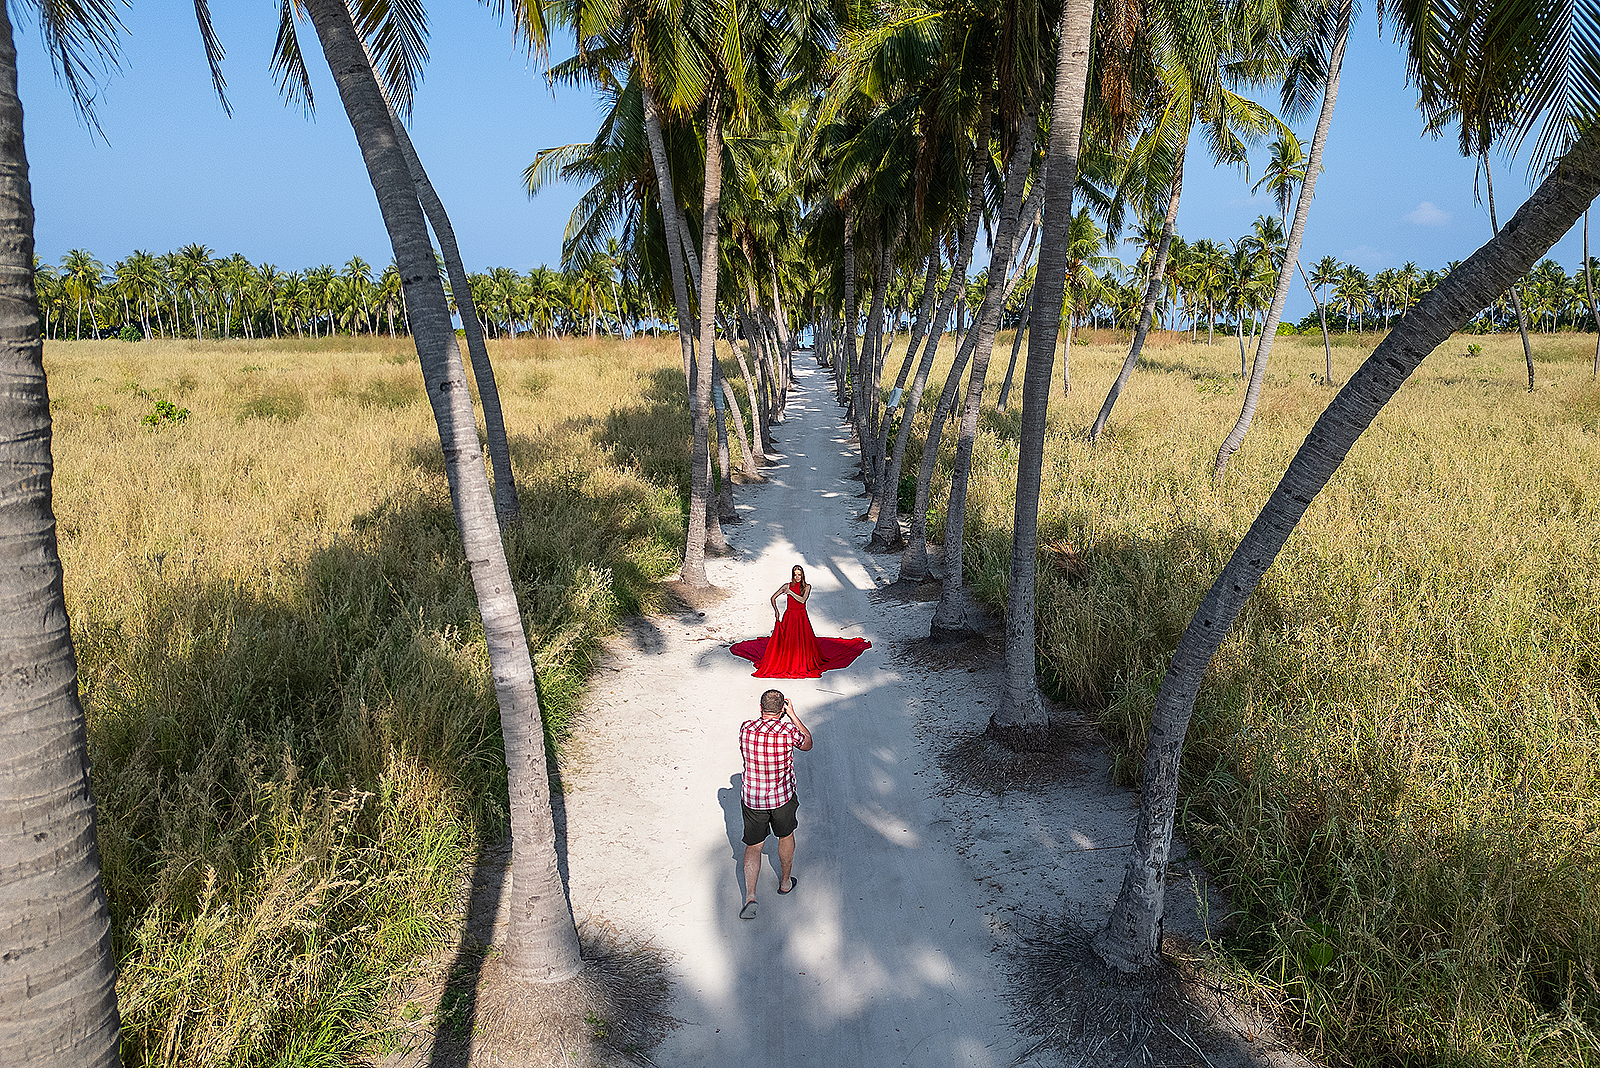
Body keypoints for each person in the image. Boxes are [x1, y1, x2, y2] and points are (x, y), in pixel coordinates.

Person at [738, 689, 813, 920]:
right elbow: (808, 743)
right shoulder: (788, 730)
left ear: (760, 708)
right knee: (786, 835)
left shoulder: (746, 728)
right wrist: (793, 716)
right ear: (782, 709)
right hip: (782, 798)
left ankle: (750, 895)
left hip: (753, 799)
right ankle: (785, 882)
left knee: (754, 846)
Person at [729, 564, 871, 678]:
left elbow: (802, 600)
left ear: (802, 575)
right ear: (793, 575)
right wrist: (777, 611)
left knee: (803, 640)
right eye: (795, 574)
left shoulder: (807, 587)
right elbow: (773, 598)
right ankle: (790, 660)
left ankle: (801, 660)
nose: (797, 577)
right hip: (789, 616)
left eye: (799, 574)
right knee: (789, 641)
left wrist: (790, 592)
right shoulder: (786, 585)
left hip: (801, 616)